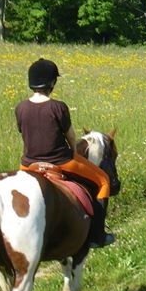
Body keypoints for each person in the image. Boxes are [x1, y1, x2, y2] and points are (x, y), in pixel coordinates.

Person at [15, 58, 115, 248]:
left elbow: (24, 132)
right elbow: (70, 136)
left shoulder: (20, 108)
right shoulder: (58, 107)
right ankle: (97, 235)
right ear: (52, 83)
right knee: (103, 181)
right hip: (61, 160)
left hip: (28, 164)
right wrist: (73, 152)